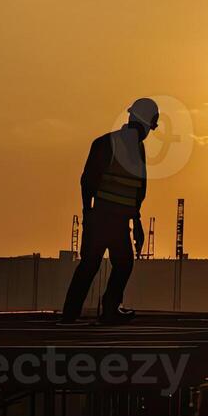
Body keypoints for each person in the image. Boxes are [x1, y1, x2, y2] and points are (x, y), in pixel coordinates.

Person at [60, 98, 157, 324]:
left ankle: (106, 311)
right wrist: (88, 216)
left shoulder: (136, 150)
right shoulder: (108, 144)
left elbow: (136, 191)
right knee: (93, 265)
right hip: (103, 218)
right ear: (144, 123)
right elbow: (88, 182)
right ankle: (76, 314)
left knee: (119, 264)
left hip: (118, 221)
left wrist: (137, 222)